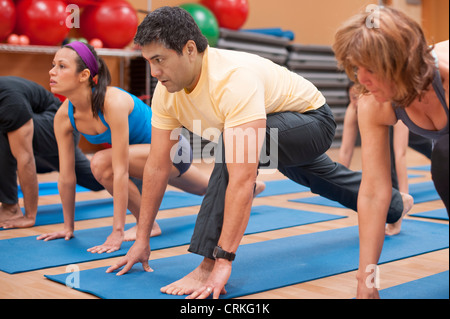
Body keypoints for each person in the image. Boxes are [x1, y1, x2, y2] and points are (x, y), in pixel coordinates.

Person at [106, 6, 413, 299]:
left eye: (159, 59)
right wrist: (142, 237)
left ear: (188, 49)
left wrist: (221, 259)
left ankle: (206, 264)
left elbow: (242, 180)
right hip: (275, 129)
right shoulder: (166, 92)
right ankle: (397, 205)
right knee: (318, 176)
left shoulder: (231, 79)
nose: (154, 71)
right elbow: (158, 166)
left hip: (313, 121)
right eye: (148, 61)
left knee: (233, 147)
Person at [37, 41, 211, 254]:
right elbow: (66, 176)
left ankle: (147, 225)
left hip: (174, 151)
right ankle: (252, 188)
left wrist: (117, 230)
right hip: (144, 160)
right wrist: (67, 227)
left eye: (61, 66)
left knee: (101, 162)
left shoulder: (113, 102)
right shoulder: (64, 116)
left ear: (83, 75)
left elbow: (120, 171)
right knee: (206, 189)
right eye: (53, 64)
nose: (51, 71)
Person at [333, 6, 448, 298]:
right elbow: (373, 192)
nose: (361, 78)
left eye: (370, 68)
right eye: (356, 68)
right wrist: (366, 281)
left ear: (399, 64)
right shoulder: (372, 102)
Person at [0, 76, 103, 229]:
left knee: (6, 132)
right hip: (41, 137)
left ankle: (11, 208)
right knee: (96, 179)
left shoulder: (8, 100)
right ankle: (126, 175)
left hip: (62, 128)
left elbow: (26, 159)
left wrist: (30, 216)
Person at [339, 82, 433, 235]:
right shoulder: (354, 108)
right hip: (386, 126)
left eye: (358, 96)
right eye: (352, 98)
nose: (356, 101)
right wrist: (341, 183)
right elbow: (345, 150)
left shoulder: (387, 105)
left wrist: (405, 195)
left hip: (412, 129)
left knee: (435, 153)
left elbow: (400, 154)